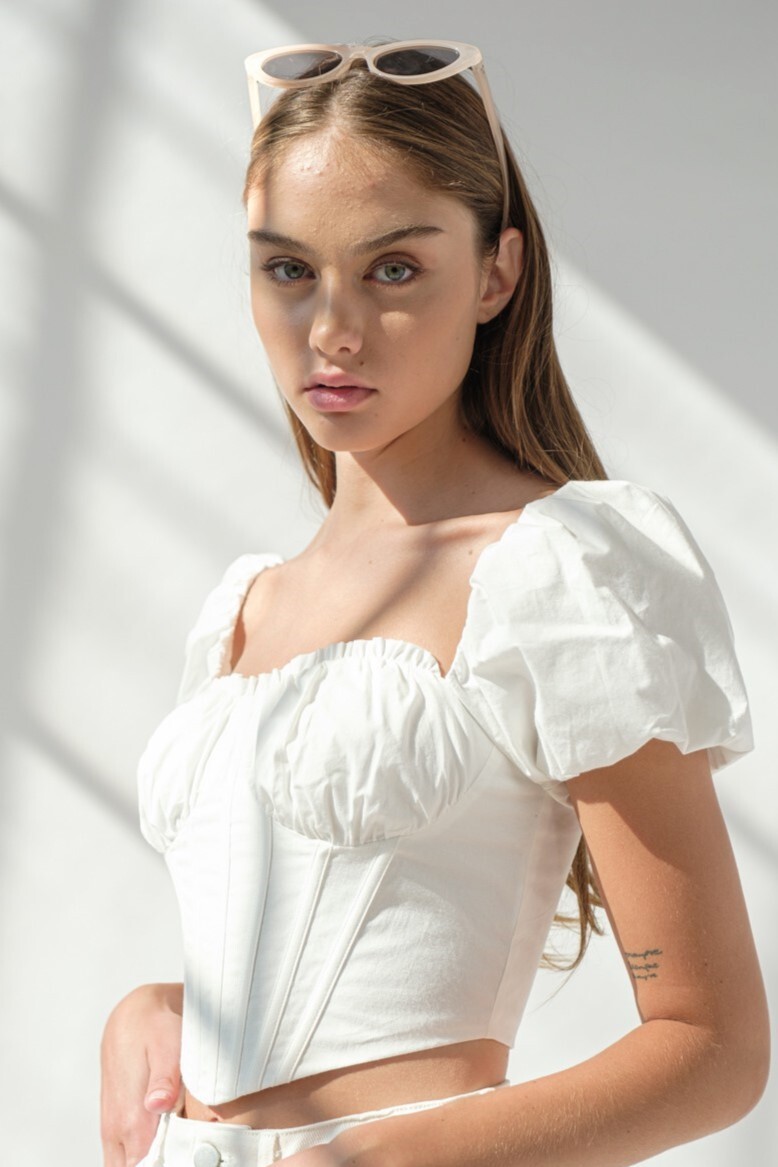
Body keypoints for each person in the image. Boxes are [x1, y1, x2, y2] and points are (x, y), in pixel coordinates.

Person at [100, 38, 770, 1167]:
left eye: (395, 270)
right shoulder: (245, 606)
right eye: (288, 269)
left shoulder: (562, 569)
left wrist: (383, 1162)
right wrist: (156, 1007)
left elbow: (711, 1048)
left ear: (497, 273)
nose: (332, 329)